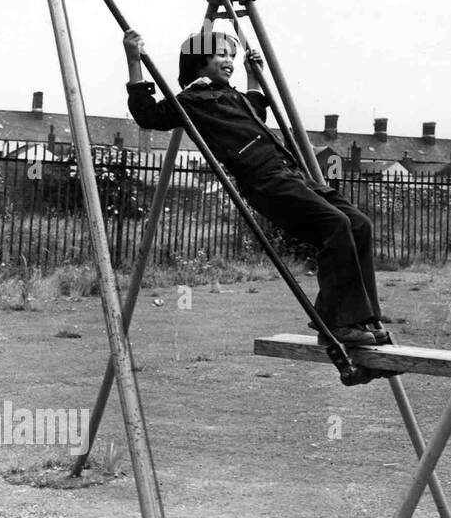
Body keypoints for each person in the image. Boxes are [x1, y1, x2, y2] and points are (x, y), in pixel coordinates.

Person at [124, 27, 384, 348]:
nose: (229, 60)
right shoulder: (191, 101)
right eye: (221, 54)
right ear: (198, 61)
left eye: (232, 55)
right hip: (265, 180)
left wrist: (252, 75)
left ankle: (362, 316)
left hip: (290, 172)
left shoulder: (232, 95)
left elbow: (256, 109)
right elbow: (147, 115)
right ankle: (338, 322)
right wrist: (134, 59)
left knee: (359, 223)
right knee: (336, 225)